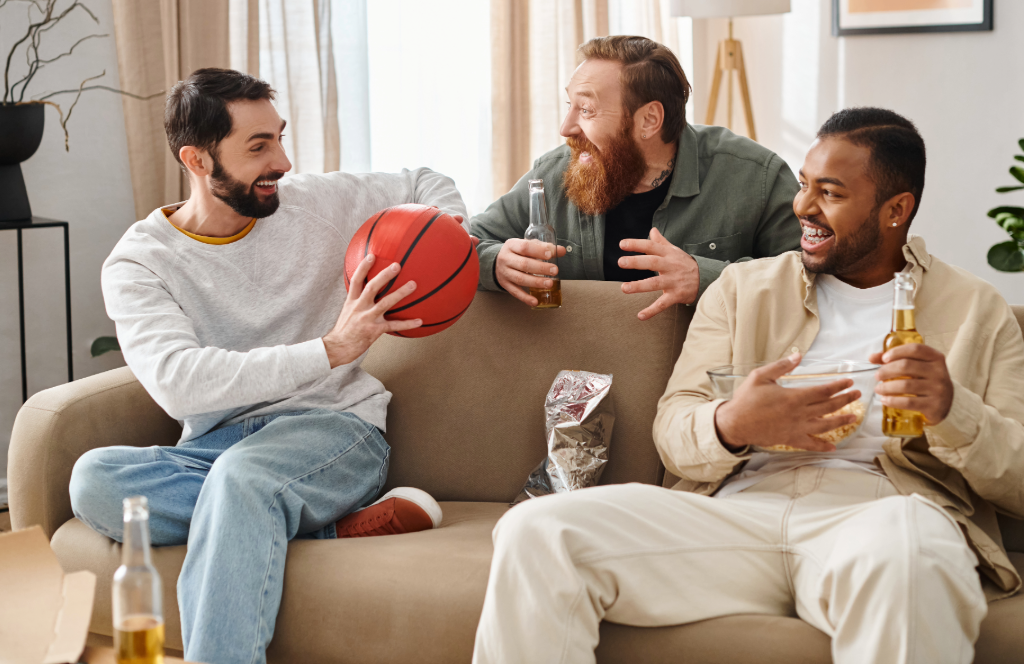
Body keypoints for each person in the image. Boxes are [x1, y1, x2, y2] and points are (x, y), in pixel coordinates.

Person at [472, 108, 1024, 664]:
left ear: (896, 210)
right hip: (737, 514)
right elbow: (674, 426)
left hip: (883, 513)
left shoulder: (978, 311)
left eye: (829, 193)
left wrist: (954, 412)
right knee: (536, 532)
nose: (803, 206)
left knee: (910, 553)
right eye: (805, 184)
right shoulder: (742, 288)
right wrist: (732, 424)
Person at [69, 68, 470, 664]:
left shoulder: (314, 203)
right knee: (96, 481)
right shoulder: (140, 262)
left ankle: (262, 523)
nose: (282, 161)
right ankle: (323, 526)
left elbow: (424, 180)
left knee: (242, 483)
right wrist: (330, 348)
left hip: (334, 429)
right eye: (258, 147)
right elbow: (180, 385)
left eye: (279, 137)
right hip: (218, 445)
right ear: (198, 159)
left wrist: (449, 232)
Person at [471, 35, 801, 319]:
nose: (566, 128)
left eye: (586, 110)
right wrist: (496, 263)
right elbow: (471, 242)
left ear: (648, 120)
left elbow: (810, 279)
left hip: (700, 380)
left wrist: (708, 278)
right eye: (570, 105)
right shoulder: (554, 172)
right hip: (575, 376)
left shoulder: (756, 176)